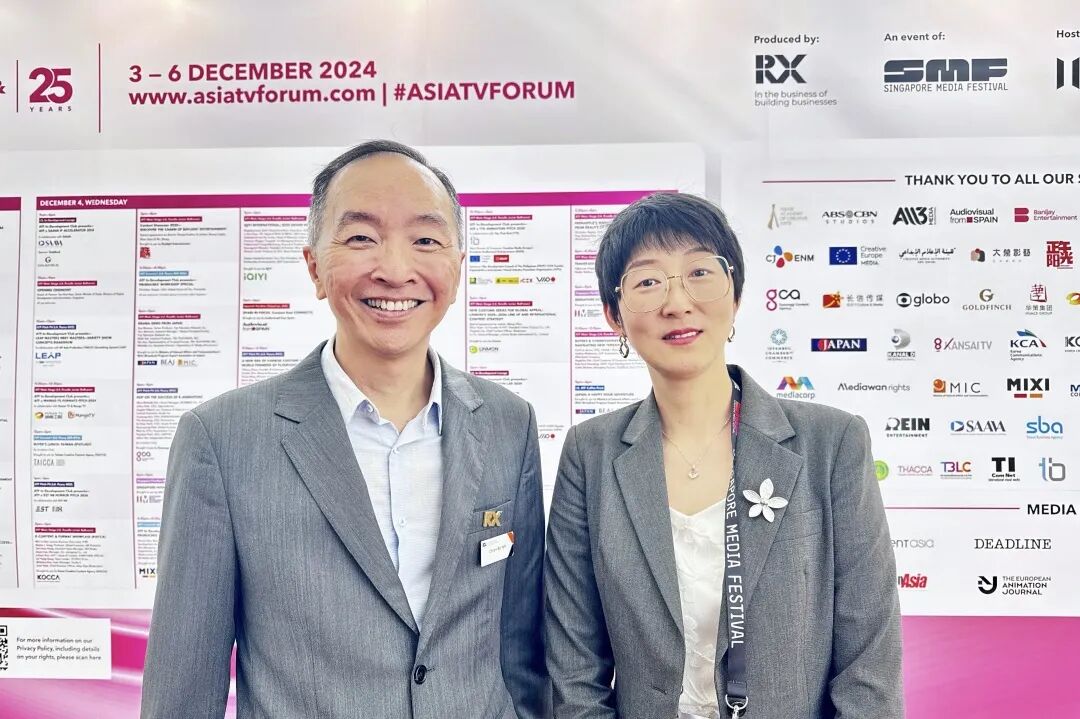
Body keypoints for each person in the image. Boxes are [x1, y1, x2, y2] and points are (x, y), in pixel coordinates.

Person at [141, 140, 548, 719]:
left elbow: (521, 656)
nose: (395, 270)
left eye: (425, 240)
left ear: (458, 266)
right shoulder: (222, 439)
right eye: (360, 238)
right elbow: (183, 689)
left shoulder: (509, 423)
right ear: (314, 266)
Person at [544, 192, 903, 719]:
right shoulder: (589, 453)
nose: (677, 302)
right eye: (647, 282)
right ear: (613, 316)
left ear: (735, 296)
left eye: (699, 273)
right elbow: (574, 665)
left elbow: (869, 663)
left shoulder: (831, 443)